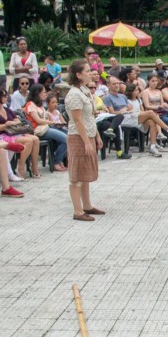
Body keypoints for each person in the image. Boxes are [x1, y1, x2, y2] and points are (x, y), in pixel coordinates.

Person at [64, 61, 104, 221]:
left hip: (89, 134)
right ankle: (78, 210)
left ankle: (87, 205)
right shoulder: (74, 94)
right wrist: (87, 141)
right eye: (87, 71)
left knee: (85, 173)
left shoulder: (85, 91)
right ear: (78, 74)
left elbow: (90, 118)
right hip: (78, 137)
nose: (91, 73)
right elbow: (77, 120)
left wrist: (96, 136)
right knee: (77, 175)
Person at [0, 87, 40, 179]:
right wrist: (6, 125)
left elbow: (17, 120)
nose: (6, 97)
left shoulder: (6, 109)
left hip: (12, 132)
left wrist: (10, 123)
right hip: (0, 135)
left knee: (35, 139)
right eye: (4, 96)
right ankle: (20, 166)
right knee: (28, 141)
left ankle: (34, 167)